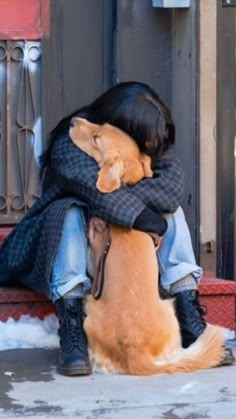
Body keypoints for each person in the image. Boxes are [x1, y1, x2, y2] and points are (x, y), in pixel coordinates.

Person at [0, 81, 234, 376]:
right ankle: (72, 324)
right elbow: (95, 188)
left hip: (123, 264)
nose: (152, 150)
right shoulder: (73, 139)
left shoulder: (146, 141)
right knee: (69, 211)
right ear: (119, 124)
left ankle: (187, 310)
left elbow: (171, 189)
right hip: (64, 253)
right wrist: (139, 214)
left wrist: (128, 206)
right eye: (145, 143)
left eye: (152, 146)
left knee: (172, 213)